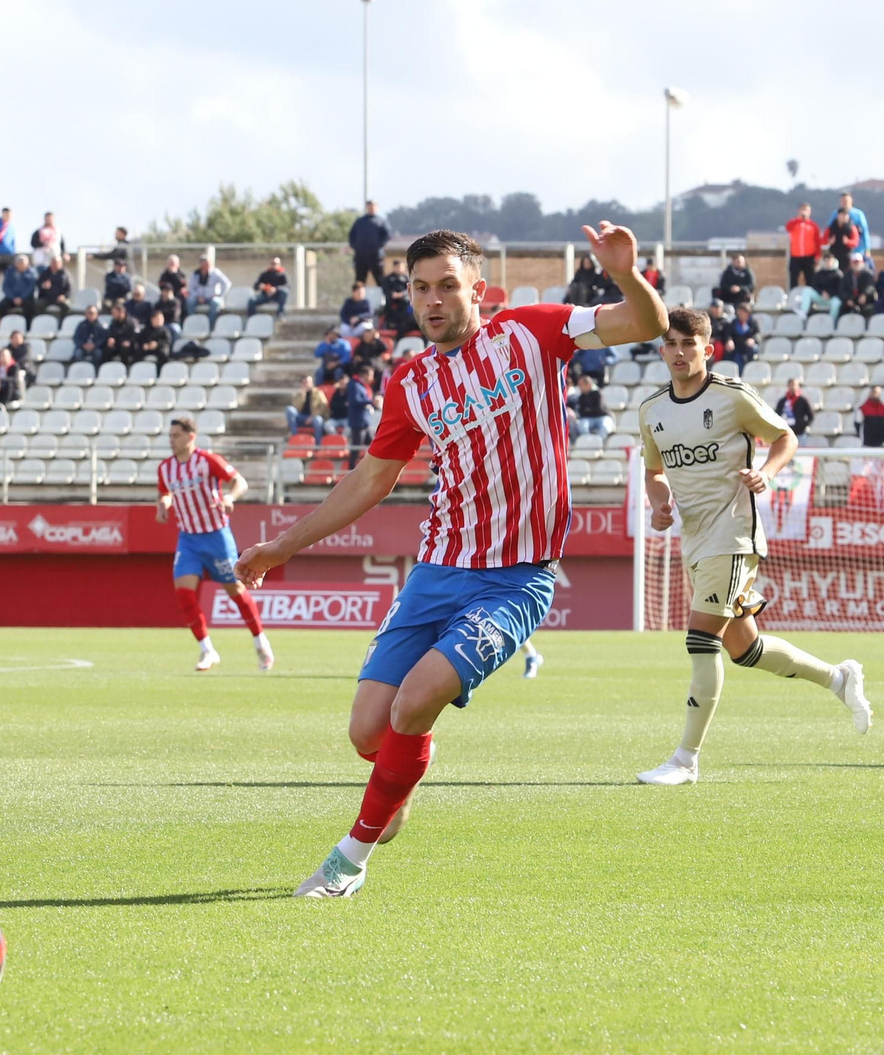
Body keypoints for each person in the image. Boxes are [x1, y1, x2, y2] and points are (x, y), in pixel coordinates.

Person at [235, 222, 666, 899]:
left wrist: (626, 274)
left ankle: (348, 860)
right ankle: (393, 792)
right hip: (437, 572)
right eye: (420, 288)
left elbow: (645, 322)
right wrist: (281, 545)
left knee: (415, 702)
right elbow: (368, 481)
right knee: (367, 730)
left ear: (478, 289)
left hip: (517, 578)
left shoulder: (532, 331)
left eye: (447, 286)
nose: (432, 300)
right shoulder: (410, 383)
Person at [634, 307, 870, 787]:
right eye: (672, 345)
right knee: (745, 647)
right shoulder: (651, 411)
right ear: (662, 352)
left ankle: (685, 760)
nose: (680, 353)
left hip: (735, 534)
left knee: (702, 639)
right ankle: (839, 678)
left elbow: (785, 436)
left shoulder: (731, 397)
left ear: (708, 349)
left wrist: (766, 472)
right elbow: (654, 472)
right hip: (695, 538)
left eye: (689, 343)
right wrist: (660, 504)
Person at [156, 417, 272, 672]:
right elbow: (164, 492)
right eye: (170, 436)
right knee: (184, 592)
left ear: (190, 437)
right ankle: (207, 650)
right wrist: (163, 504)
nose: (172, 440)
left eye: (176, 435)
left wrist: (230, 497)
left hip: (216, 536)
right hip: (188, 539)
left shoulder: (207, 461)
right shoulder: (166, 468)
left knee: (236, 592)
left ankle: (260, 640)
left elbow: (239, 482)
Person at [348, 200, 391, 285]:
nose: (372, 208)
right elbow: (351, 234)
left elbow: (387, 235)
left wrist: (379, 246)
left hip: (375, 255)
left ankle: (385, 297)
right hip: (361, 255)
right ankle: (358, 297)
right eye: (370, 206)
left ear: (377, 208)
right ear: (367, 207)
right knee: (359, 280)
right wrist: (355, 246)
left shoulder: (381, 221)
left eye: (374, 206)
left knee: (380, 279)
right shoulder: (360, 221)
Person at [785, 203, 822, 288]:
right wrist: (798, 219)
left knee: (810, 279)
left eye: (807, 210)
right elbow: (788, 227)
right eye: (803, 209)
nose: (804, 212)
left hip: (809, 256)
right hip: (795, 256)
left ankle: (810, 299)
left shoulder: (813, 225)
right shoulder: (793, 222)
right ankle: (793, 297)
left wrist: (817, 256)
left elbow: (817, 242)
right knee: (793, 279)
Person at [831, 192, 872, 266]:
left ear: (851, 201)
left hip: (857, 248)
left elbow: (865, 231)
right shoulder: (836, 213)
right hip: (840, 249)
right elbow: (829, 229)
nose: (844, 203)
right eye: (842, 201)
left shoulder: (858, 214)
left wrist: (867, 248)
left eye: (846, 201)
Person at [286, 374, 328, 442]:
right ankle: (295, 436)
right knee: (289, 409)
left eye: (308, 382)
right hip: (301, 417)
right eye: (305, 382)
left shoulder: (318, 392)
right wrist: (302, 396)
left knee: (318, 420)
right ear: (301, 384)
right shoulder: (297, 394)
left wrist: (312, 416)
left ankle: (318, 445)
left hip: (313, 417)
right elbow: (296, 407)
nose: (307, 384)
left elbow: (323, 406)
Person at [0, 255, 37, 319]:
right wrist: (13, 297)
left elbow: (31, 288)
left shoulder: (32, 273)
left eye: (23, 264)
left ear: (27, 264)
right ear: (16, 264)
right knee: (2, 305)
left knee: (30, 307)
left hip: (26, 298)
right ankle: (4, 323)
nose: (21, 265)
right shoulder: (9, 272)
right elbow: (5, 287)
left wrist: (21, 298)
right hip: (12, 297)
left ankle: (28, 327)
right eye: (19, 263)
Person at [724, 303, 758, 368]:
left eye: (742, 312)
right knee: (737, 361)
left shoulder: (753, 322)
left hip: (749, 347)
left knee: (753, 349)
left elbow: (757, 334)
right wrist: (729, 340)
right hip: (738, 347)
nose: (740, 314)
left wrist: (752, 339)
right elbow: (729, 333)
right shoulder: (734, 322)